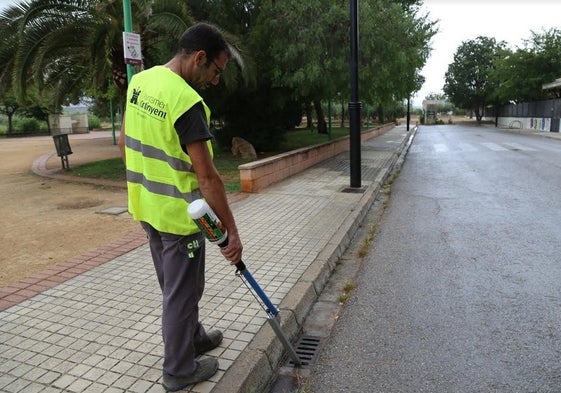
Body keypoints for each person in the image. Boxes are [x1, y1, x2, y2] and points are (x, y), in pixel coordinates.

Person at [118, 22, 243, 392]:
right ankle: (178, 370)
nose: (216, 80)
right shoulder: (186, 103)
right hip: (178, 218)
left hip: (146, 208)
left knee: (177, 287)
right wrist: (231, 233)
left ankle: (195, 337)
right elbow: (208, 179)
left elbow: (125, 141)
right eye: (217, 71)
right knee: (181, 292)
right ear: (200, 58)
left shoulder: (141, 82)